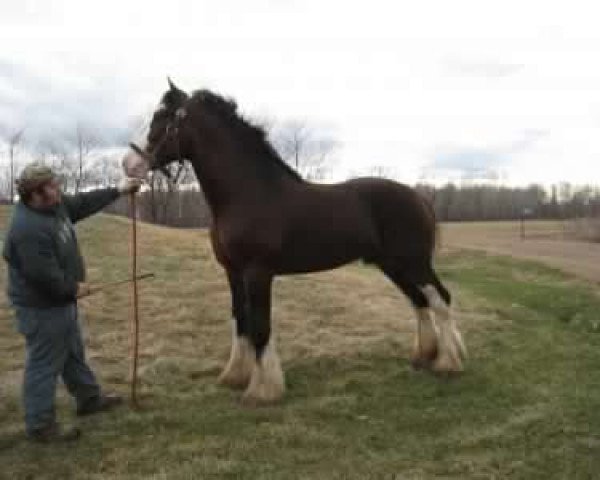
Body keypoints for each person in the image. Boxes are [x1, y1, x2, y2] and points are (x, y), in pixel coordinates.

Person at [2, 163, 142, 443]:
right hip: (41, 308)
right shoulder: (28, 229)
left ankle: (88, 399)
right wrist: (74, 288)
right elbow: (44, 278)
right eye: (53, 186)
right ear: (35, 194)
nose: (59, 190)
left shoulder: (55, 207)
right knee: (44, 363)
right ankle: (40, 425)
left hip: (58, 303)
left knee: (72, 352)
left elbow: (83, 202)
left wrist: (118, 189)